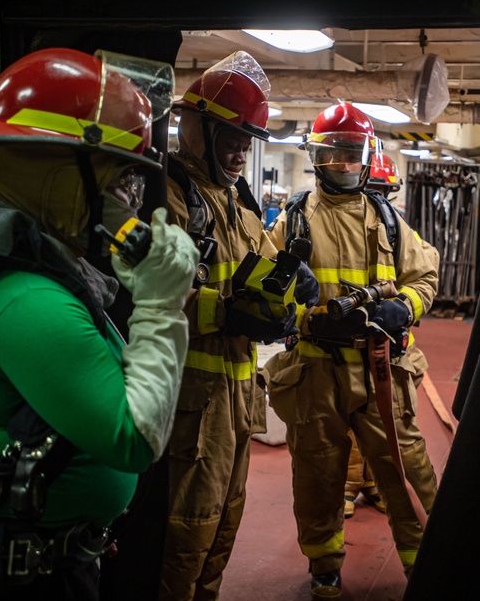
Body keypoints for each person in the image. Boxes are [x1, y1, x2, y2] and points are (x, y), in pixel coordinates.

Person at [0, 47, 198, 600]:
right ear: (57, 171)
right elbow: (133, 437)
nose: (131, 199)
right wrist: (163, 305)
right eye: (120, 177)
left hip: (23, 559)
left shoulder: (25, 269)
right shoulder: (25, 299)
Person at [159, 50, 318, 601]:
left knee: (223, 526)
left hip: (236, 396)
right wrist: (223, 312)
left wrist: (297, 289)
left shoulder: (242, 203)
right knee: (184, 535)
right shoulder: (171, 195)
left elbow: (269, 266)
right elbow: (147, 299)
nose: (239, 149)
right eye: (229, 134)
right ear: (194, 127)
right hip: (190, 406)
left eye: (247, 138)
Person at [264, 102, 438, 599]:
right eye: (331, 153)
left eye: (349, 153)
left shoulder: (388, 220)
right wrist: (293, 302)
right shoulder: (292, 222)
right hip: (316, 371)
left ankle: (425, 564)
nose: (341, 164)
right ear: (316, 157)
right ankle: (324, 566)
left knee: (406, 472)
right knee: (317, 476)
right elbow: (265, 297)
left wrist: (403, 307)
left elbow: (424, 275)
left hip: (381, 369)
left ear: (365, 156)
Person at [343, 152, 439, 520]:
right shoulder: (334, 221)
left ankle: (381, 486)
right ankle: (353, 486)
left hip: (391, 352)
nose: (376, 197)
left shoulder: (397, 228)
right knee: (351, 431)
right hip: (348, 350)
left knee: (397, 433)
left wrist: (405, 305)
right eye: (372, 188)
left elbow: (426, 269)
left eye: (383, 190)